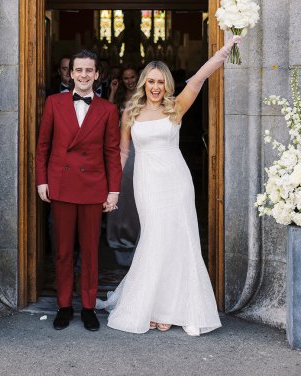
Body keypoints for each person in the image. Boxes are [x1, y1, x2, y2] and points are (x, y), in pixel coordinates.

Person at [97, 36, 241, 335]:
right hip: (146, 181)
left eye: (160, 82)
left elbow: (200, 79)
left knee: (180, 239)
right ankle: (151, 305)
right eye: (150, 81)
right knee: (155, 237)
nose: (155, 87)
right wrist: (113, 190)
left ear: (167, 85)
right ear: (143, 84)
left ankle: (171, 308)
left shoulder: (176, 107)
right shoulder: (130, 112)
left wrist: (224, 50)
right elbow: (123, 154)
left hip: (176, 181)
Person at [36, 50, 122, 332]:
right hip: (60, 185)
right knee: (62, 251)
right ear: (70, 73)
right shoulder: (53, 102)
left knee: (89, 252)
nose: (84, 75)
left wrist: (114, 191)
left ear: (97, 74)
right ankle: (63, 306)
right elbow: (43, 146)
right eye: (79, 70)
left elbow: (112, 152)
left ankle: (87, 307)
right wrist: (42, 181)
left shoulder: (108, 110)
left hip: (92, 188)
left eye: (89, 70)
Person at [107, 67, 140, 266]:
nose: (129, 81)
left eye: (132, 77)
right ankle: (118, 238)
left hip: (138, 146)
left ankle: (137, 237)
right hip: (119, 146)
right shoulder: (119, 97)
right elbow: (108, 113)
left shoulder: (144, 96)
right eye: (125, 78)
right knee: (120, 190)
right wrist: (112, 90)